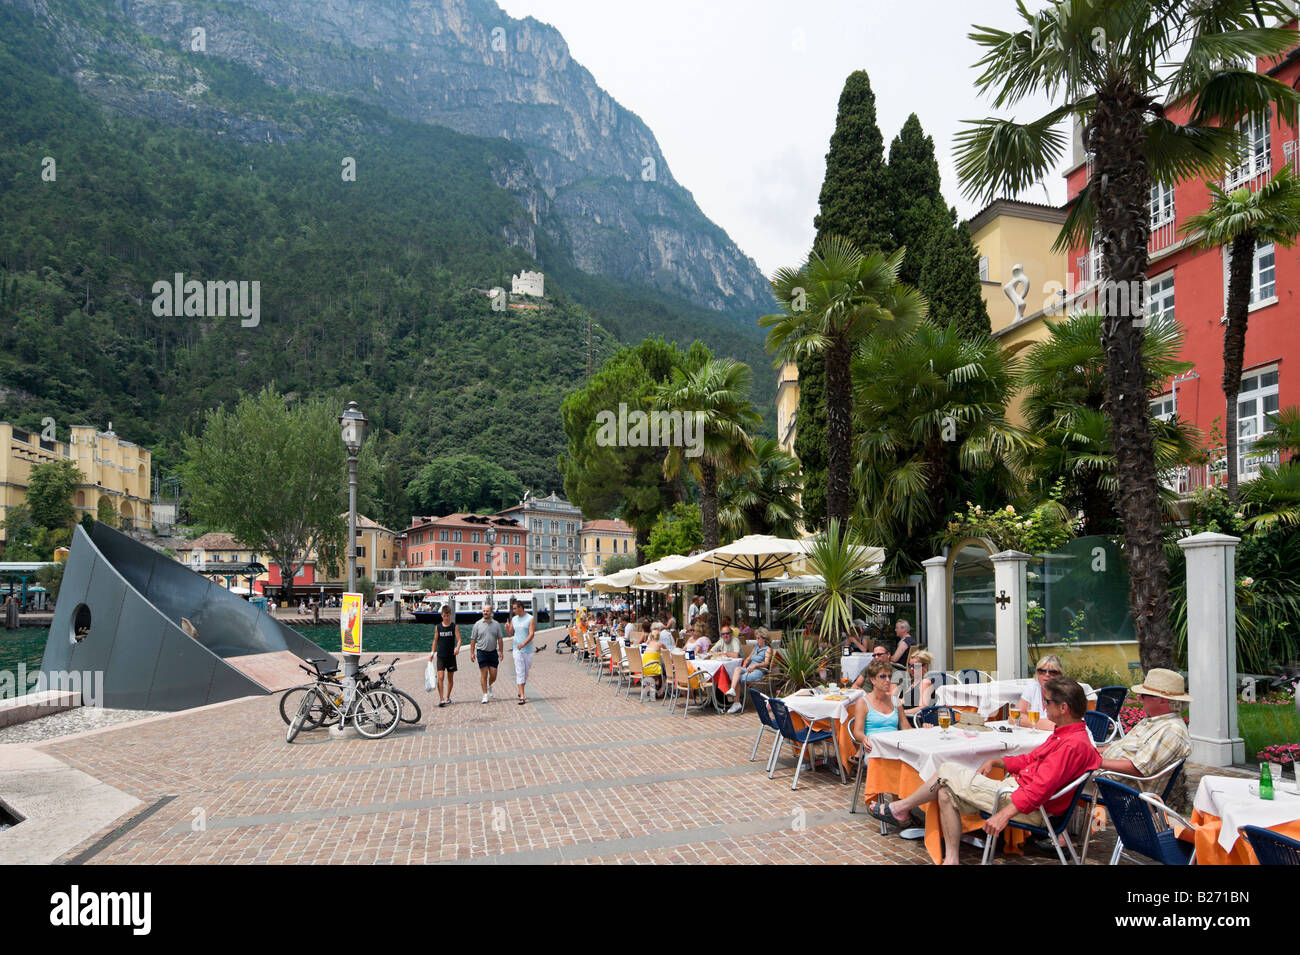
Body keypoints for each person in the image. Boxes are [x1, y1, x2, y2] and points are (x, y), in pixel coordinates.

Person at [874, 678, 1101, 864]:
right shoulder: (1067, 734)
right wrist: (999, 762)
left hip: (1030, 808)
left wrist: (1004, 815)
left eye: (1048, 702)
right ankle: (951, 859)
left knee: (945, 770)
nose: (1044, 706)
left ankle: (899, 808)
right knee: (944, 792)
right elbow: (1031, 758)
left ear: (1063, 708)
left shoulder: (1073, 744)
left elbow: (1040, 790)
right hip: (1019, 793)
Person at [1097, 669, 1192, 786]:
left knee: (1069, 777)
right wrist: (1095, 751)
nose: (1139, 698)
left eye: (1143, 695)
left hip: (1117, 790)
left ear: (1162, 700)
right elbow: (1123, 746)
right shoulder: (1152, 720)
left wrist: (1094, 762)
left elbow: (1139, 769)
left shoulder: (1171, 731)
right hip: (1107, 777)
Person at [848, 659, 909, 748]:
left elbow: (906, 728)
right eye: (883, 676)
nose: (888, 680)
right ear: (873, 680)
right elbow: (857, 732)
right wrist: (864, 738)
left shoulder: (895, 701)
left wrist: (924, 730)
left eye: (889, 676)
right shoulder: (863, 702)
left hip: (894, 746)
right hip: (874, 747)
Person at [726, 630, 770, 713]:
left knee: (736, 678)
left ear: (764, 639)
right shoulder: (756, 647)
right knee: (737, 669)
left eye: (758, 638)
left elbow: (766, 663)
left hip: (758, 671)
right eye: (756, 638)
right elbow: (749, 658)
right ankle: (732, 690)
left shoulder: (767, 649)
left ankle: (736, 703)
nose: (757, 640)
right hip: (749, 669)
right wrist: (744, 665)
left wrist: (755, 665)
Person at [1017, 654, 1064, 729]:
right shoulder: (1032, 688)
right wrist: (1042, 723)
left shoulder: (1066, 692)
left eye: (1052, 672)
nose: (1047, 675)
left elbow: (1059, 726)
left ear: (1060, 675)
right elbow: (1014, 717)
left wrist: (1026, 721)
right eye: (1042, 671)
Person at [472, 601, 505, 704]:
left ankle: (489, 685)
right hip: (481, 651)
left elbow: (500, 638)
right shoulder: (477, 624)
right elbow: (473, 639)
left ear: (491, 612)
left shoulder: (496, 624)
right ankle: (485, 695)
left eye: (487, 611)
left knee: (493, 674)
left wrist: (501, 651)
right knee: (484, 673)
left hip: (493, 652)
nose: (485, 612)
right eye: (484, 611)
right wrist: (472, 653)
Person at [506, 599, 537, 705]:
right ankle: (522, 696)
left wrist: (523, 644)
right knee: (520, 672)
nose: (513, 610)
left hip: (527, 650)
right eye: (513, 609)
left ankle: (520, 690)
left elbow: (531, 634)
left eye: (515, 608)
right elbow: (510, 634)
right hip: (517, 650)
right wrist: (507, 628)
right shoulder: (514, 619)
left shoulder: (530, 618)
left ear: (520, 608)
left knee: (525, 673)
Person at [429, 604, 460, 707]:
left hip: (451, 656)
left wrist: (457, 648)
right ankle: (441, 698)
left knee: (450, 679)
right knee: (441, 677)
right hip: (441, 656)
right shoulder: (438, 627)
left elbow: (459, 640)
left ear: (450, 615)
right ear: (441, 615)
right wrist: (432, 653)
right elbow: (435, 641)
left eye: (447, 616)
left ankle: (447, 697)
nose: (446, 618)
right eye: (444, 616)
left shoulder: (454, 627)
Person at [901, 649, 936, 716]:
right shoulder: (912, 682)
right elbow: (903, 701)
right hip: (905, 717)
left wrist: (901, 713)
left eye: (915, 666)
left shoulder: (925, 682)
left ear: (925, 666)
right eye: (910, 665)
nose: (911, 669)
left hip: (915, 720)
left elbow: (923, 708)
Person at [642, 622, 668, 698]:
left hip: (644, 668)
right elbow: (667, 654)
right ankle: (662, 690)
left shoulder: (648, 644)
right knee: (667, 673)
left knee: (662, 671)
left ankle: (652, 687)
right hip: (653, 668)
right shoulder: (660, 644)